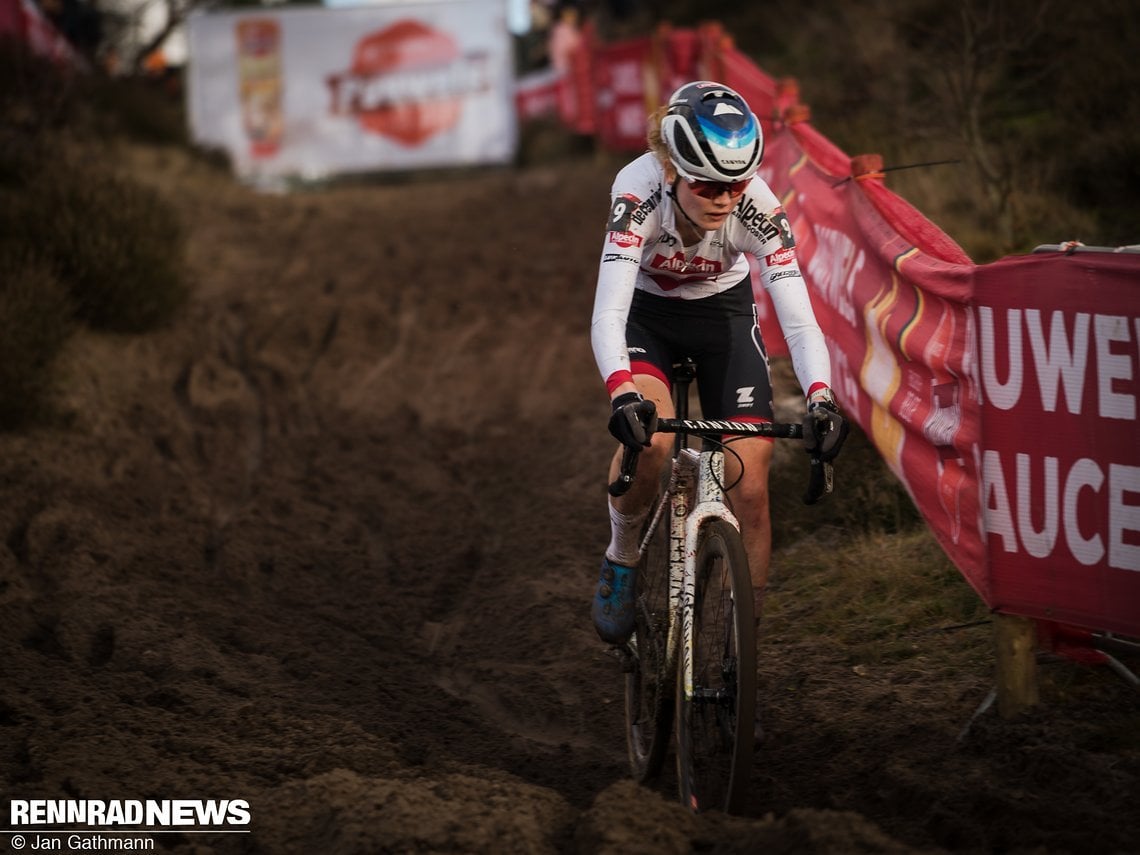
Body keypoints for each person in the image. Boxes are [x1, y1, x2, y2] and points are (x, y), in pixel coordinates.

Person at [588, 81, 848, 653]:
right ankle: (623, 555)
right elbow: (608, 311)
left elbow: (800, 320)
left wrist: (821, 398)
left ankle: (739, 653)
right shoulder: (637, 191)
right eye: (706, 184)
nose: (724, 199)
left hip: (722, 317)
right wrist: (622, 396)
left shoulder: (759, 208)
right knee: (651, 442)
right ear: (670, 167)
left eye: (734, 184)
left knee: (750, 484)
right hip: (646, 316)